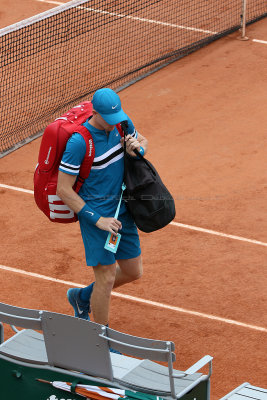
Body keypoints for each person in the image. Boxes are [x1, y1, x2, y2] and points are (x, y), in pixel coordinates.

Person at [57, 88, 148, 327]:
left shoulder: (121, 123)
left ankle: (81, 296)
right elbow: (64, 189)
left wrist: (137, 150)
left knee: (132, 271)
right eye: (108, 119)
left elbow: (143, 141)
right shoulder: (79, 142)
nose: (113, 124)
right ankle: (101, 342)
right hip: (97, 217)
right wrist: (97, 220)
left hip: (122, 210)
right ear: (95, 113)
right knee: (106, 278)